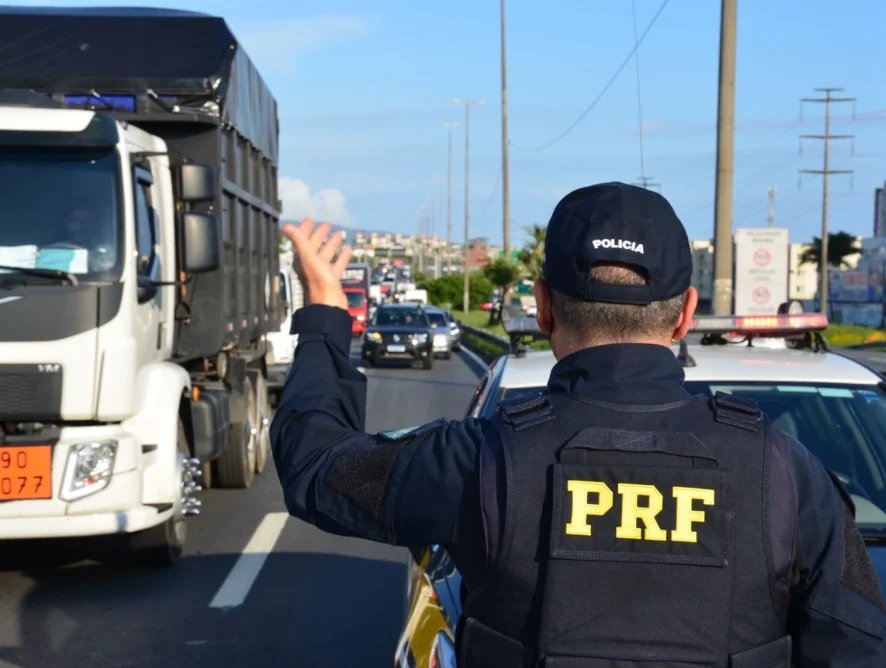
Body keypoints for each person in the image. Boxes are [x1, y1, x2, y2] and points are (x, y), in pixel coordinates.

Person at [270, 183, 885, 667]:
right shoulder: (787, 476)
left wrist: (327, 312)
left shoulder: (479, 461)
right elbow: (859, 644)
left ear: (541, 306)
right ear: (685, 316)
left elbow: (315, 467)